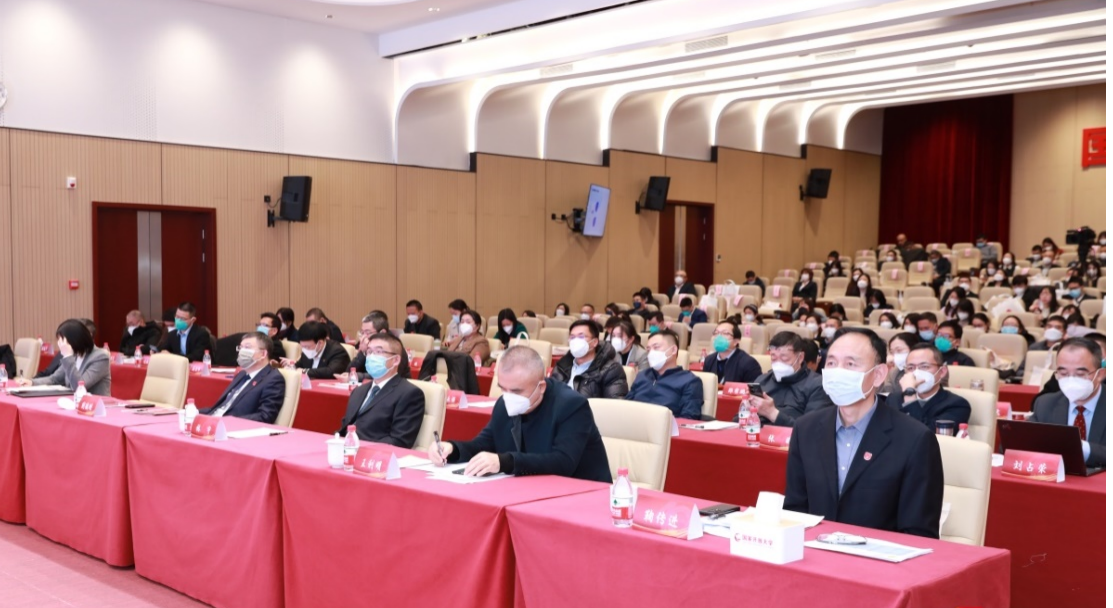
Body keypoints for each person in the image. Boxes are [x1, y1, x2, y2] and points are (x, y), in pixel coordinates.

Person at [785, 328, 944, 539]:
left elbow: (919, 532)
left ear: (878, 375)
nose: (838, 372)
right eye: (831, 363)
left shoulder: (915, 439)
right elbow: (795, 511)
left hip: (881, 556)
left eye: (850, 364)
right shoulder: (806, 428)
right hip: (814, 552)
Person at [427, 346, 611, 481]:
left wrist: (505, 462)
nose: (508, 396)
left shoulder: (571, 405)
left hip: (582, 494)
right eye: (502, 388)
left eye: (516, 391)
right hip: (531, 489)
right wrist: (452, 449)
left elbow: (563, 462)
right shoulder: (505, 403)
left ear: (541, 387)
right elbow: (486, 443)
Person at [337, 332, 426, 448]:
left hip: (376, 454)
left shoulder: (410, 394)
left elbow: (399, 441)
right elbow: (345, 429)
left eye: (378, 352)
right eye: (369, 352)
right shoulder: (358, 391)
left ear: (395, 360)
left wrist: (360, 447)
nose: (371, 357)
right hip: (346, 451)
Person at [1030, 338, 1106, 467]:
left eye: (1080, 374)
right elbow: (1016, 445)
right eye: (1063, 373)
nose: (1071, 380)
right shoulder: (1045, 404)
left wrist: (1081, 448)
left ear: (1100, 374)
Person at [750, 333, 832, 427]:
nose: (778, 363)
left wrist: (773, 414)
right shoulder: (762, 380)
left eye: (784, 358)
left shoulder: (818, 385)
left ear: (800, 357)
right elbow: (740, 419)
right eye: (774, 358)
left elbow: (812, 428)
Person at [200, 332, 285, 423]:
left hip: (233, 425)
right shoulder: (242, 374)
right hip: (214, 419)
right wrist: (196, 412)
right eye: (240, 347)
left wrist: (228, 421)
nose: (241, 351)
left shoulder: (273, 379)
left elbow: (265, 416)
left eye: (247, 347)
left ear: (263, 354)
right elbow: (222, 407)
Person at [886, 343, 971, 430]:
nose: (916, 373)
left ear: (942, 371)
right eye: (910, 368)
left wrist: (909, 395)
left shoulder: (956, 405)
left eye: (924, 367)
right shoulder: (893, 399)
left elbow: (924, 434)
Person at [626, 329, 703, 420]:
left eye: (656, 347)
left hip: (666, 426)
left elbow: (688, 418)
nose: (651, 353)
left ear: (673, 350)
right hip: (634, 423)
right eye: (648, 349)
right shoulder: (642, 375)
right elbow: (626, 405)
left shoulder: (690, 381)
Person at [21, 319, 111, 396]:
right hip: (74, 403)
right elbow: (55, 379)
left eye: (63, 340)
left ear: (75, 339)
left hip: (94, 406)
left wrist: (68, 356)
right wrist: (32, 382)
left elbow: (79, 387)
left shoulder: (100, 357)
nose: (60, 344)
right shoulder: (75, 354)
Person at [550, 320, 628, 400]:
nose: (576, 341)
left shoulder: (611, 370)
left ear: (594, 342)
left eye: (581, 337)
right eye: (572, 337)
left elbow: (615, 403)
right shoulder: (561, 366)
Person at [344, 311, 412, 382]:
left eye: (368, 332)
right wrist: (362, 352)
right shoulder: (366, 345)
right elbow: (349, 372)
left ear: (382, 332)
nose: (363, 337)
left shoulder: (394, 347)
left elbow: (384, 376)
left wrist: (358, 376)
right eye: (362, 332)